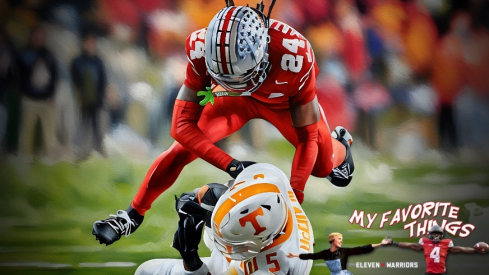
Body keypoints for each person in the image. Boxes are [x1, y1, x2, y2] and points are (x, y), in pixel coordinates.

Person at [93, 1, 355, 245]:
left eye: (238, 72)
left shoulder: (294, 54)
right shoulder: (199, 46)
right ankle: (131, 215)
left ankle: (341, 144)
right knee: (179, 150)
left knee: (323, 167)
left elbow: (307, 138)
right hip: (230, 100)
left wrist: (292, 203)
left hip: (282, 104)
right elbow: (181, 127)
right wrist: (232, 165)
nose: (234, 80)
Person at [134, 163, 315, 275]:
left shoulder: (276, 265)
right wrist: (198, 202)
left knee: (146, 271)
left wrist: (190, 259)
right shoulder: (268, 176)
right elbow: (234, 191)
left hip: (245, 268)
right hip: (249, 249)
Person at [17, 25, 59, 159]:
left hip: (46, 100)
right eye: (36, 36)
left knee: (49, 132)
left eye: (41, 36)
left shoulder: (49, 55)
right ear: (31, 37)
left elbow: (54, 76)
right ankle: (24, 156)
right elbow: (19, 75)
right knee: (26, 131)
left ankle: (49, 156)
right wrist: (23, 91)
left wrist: (51, 94)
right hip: (29, 98)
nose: (38, 39)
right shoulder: (24, 54)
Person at [387, 224, 488, 275]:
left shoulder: (446, 243)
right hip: (429, 273)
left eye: (438, 234)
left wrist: (475, 250)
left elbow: (460, 249)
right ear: (430, 234)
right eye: (434, 233)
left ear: (442, 235)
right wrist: (393, 242)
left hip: (441, 273)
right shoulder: (424, 242)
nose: (436, 235)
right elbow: (409, 245)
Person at [70, 30, 108, 159]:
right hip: (81, 100)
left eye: (93, 43)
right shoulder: (77, 61)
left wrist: (102, 97)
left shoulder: (98, 61)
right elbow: (74, 80)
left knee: (97, 126)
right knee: (82, 126)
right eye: (88, 42)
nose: (91, 45)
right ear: (83, 43)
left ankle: (98, 150)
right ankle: (80, 151)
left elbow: (103, 81)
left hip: (96, 100)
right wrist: (78, 96)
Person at [287, 232, 390, 275]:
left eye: (342, 239)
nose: (341, 241)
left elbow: (361, 249)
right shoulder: (325, 253)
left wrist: (380, 244)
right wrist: (295, 255)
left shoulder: (345, 251)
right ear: (332, 240)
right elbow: (311, 256)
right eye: (339, 239)